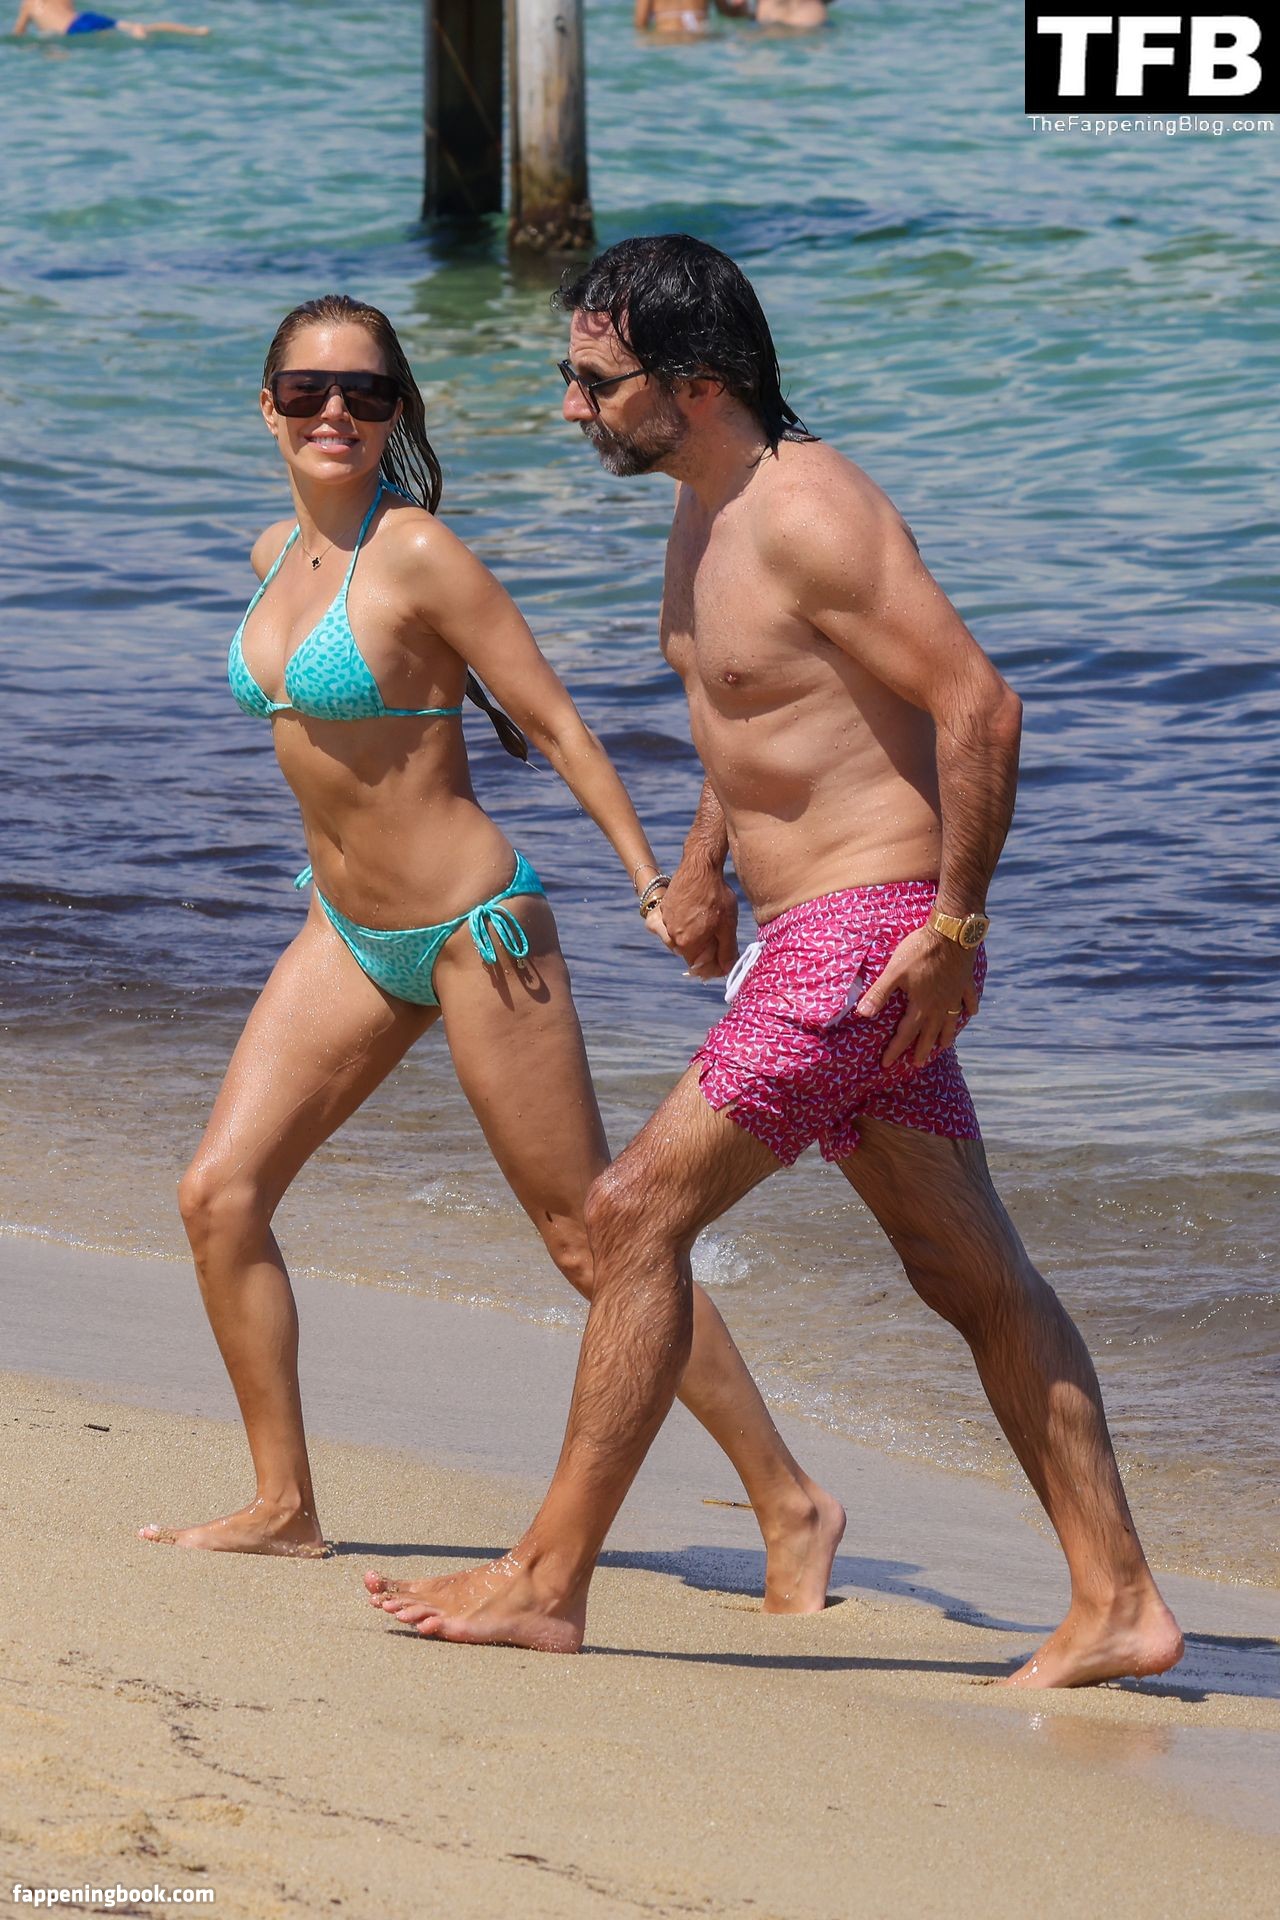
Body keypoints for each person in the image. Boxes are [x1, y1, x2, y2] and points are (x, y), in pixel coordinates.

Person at [364, 237, 1186, 1690]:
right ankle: (1116, 1598)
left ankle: (546, 1580)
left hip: (869, 941)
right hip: (817, 936)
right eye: (570, 375)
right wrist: (704, 866)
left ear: (694, 383)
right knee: (967, 1269)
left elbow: (979, 706)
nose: (570, 406)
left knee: (630, 1216)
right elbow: (755, 714)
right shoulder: (706, 506)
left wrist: (955, 928)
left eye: (595, 380)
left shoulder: (809, 510)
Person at [140, 292, 841, 1611]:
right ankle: (284, 1506)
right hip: (345, 929)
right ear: (268, 407)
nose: (334, 413)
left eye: (364, 393)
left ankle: (789, 1499)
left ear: (397, 412)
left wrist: (655, 881)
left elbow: (560, 726)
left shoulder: (418, 554)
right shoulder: (272, 553)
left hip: (476, 931)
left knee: (594, 1241)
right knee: (218, 1197)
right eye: (307, 391)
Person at [13, 0, 208, 36]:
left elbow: (18, 34)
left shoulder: (28, 4)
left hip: (75, 29)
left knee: (110, 37)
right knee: (139, 27)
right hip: (86, 17)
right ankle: (195, 30)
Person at [634, 0, 748, 38]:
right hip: (699, 36)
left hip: (665, 38)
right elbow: (729, 13)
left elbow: (640, 24)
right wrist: (742, 5)